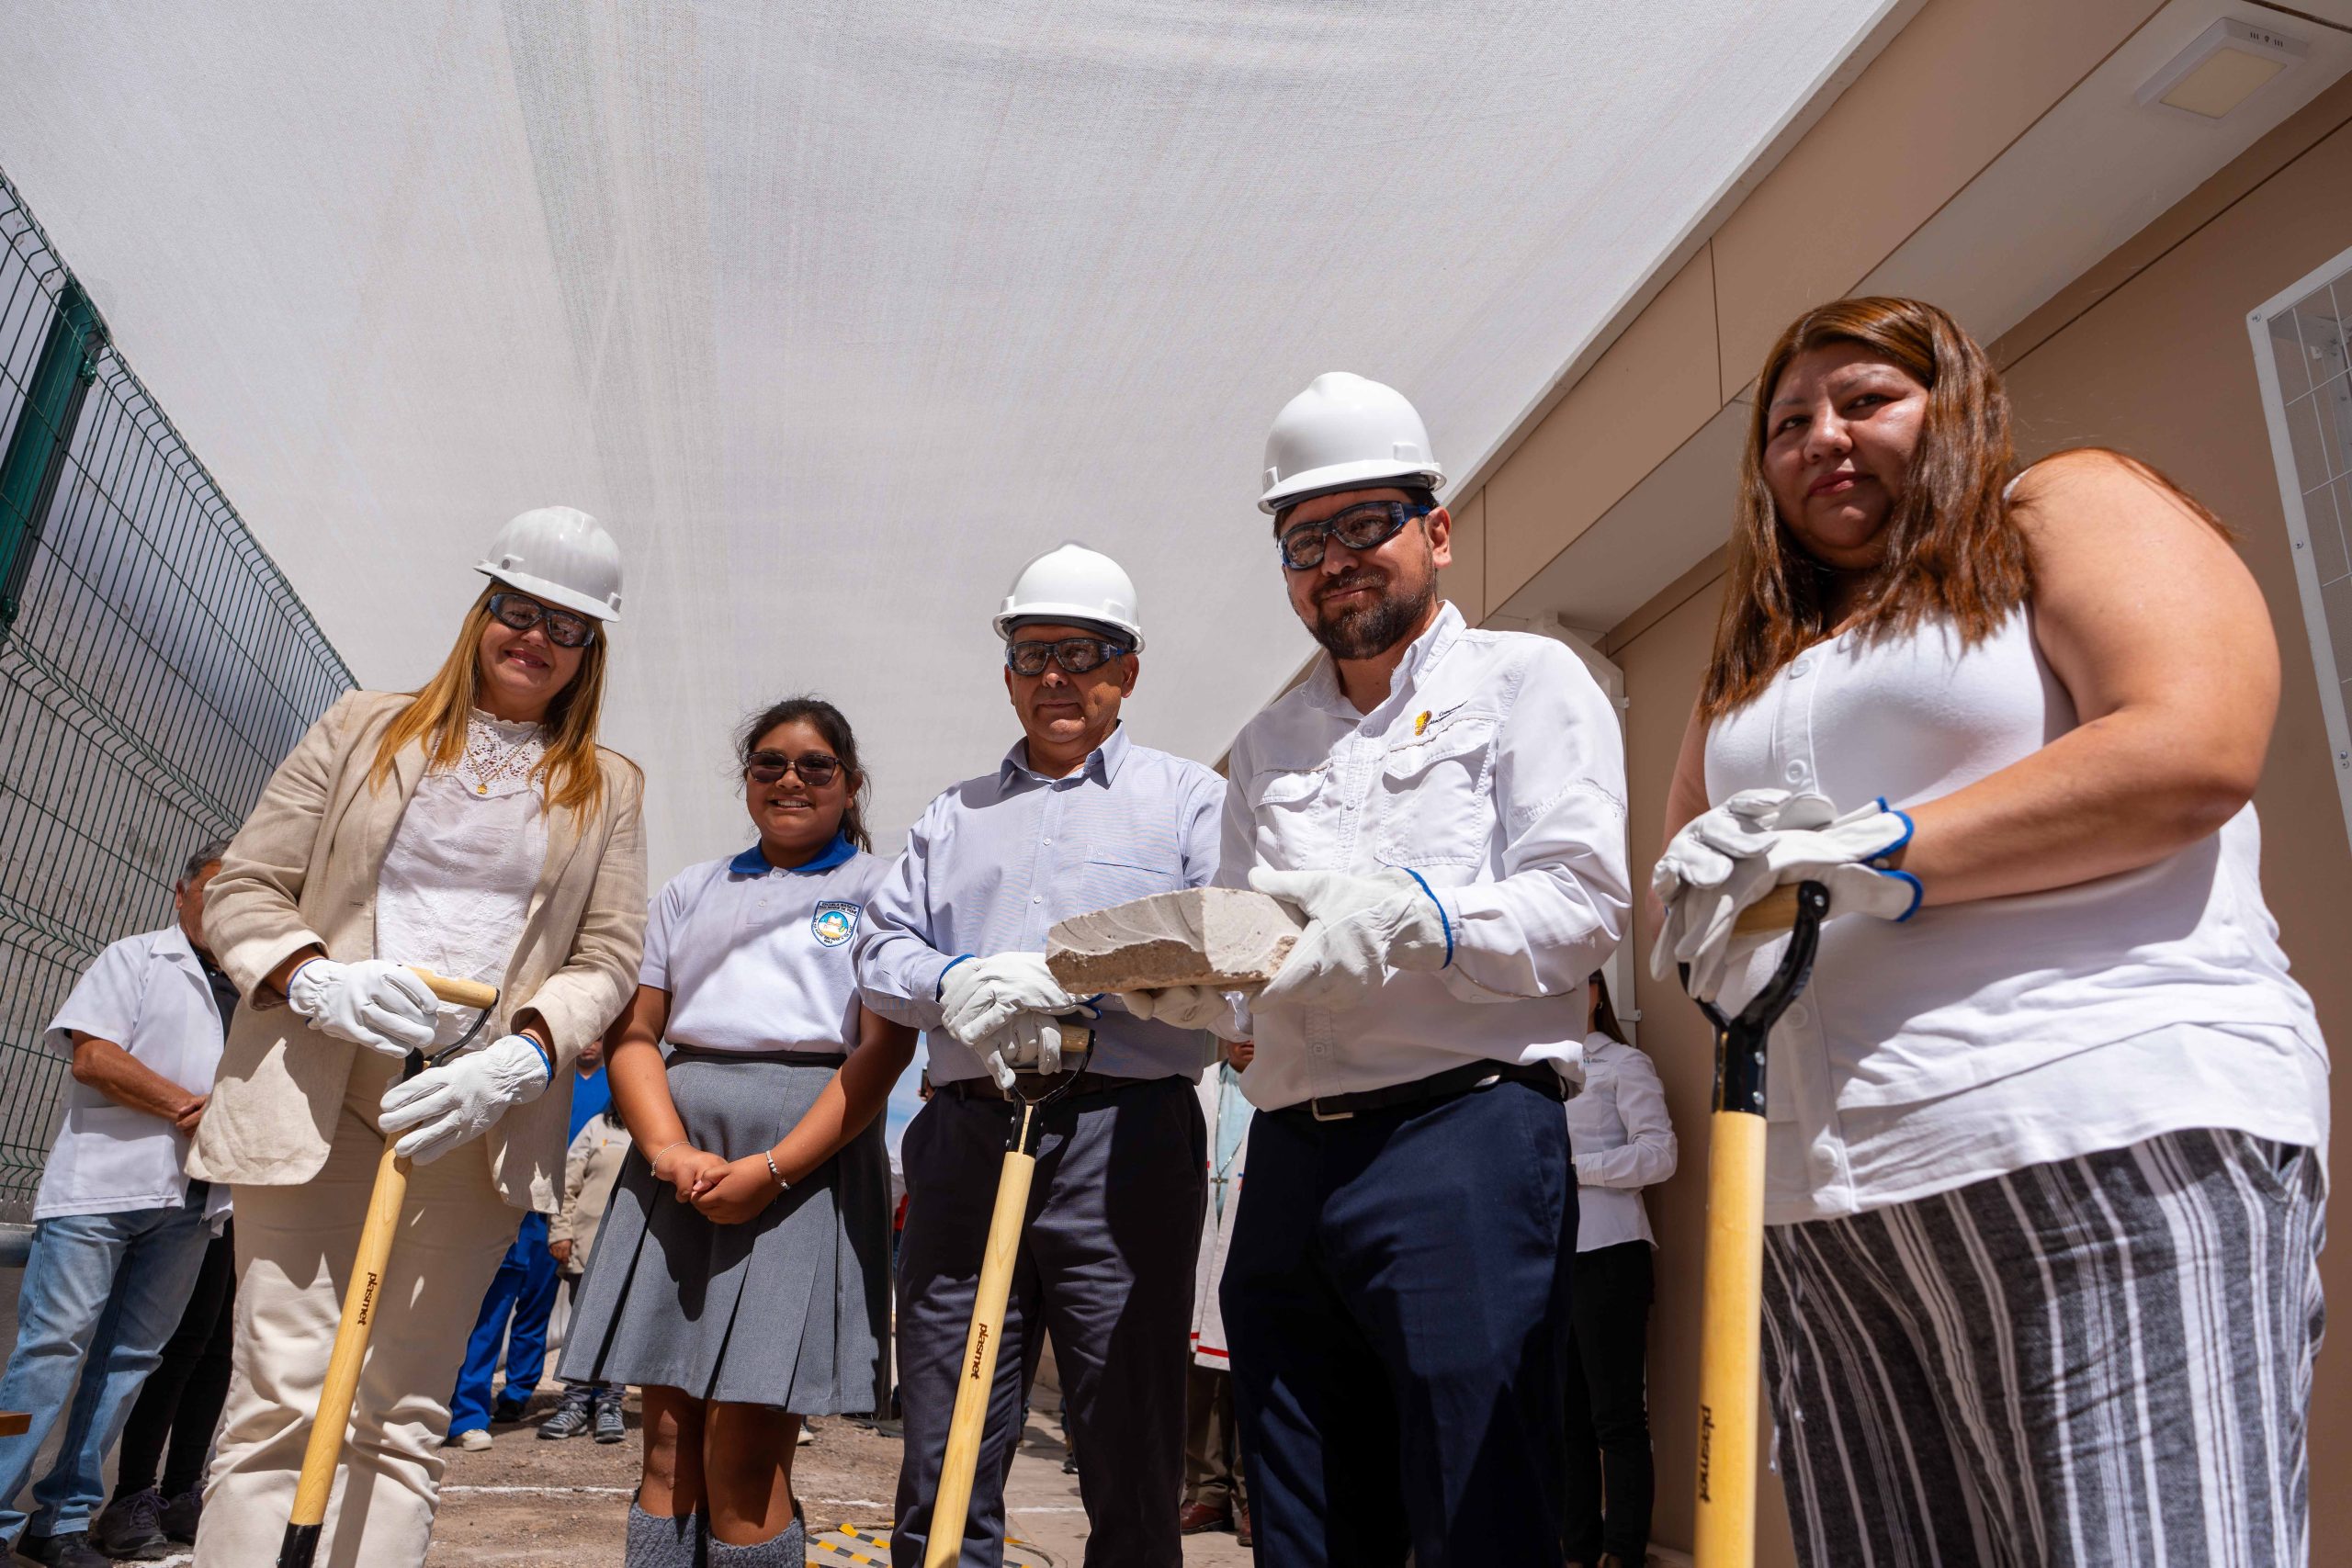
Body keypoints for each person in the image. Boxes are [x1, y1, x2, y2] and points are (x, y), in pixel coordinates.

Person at [1650, 297, 2330, 1565]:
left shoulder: (2060, 505)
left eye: (1867, 400)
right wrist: (1698, 904)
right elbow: (1689, 869)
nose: (1823, 437)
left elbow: (2190, 742)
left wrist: (1875, 850)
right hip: (1824, 1199)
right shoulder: (1759, 651)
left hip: (2093, 1131)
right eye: (1789, 423)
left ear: (1955, 403)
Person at [1127, 372, 1631, 1565]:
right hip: (1291, 1162)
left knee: (1476, 1516)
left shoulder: (1526, 684)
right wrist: (1198, 997)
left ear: (1437, 532)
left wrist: (1415, 914)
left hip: (1463, 1139)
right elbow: (1254, 964)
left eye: (1367, 524)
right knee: (1299, 1524)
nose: (1337, 558)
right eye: (1307, 538)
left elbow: (1584, 906)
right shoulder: (1266, 746)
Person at [187, 506, 647, 1567]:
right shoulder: (360, 728)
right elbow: (245, 887)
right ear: (481, 611)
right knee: (277, 1398)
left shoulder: (608, 786)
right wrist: (315, 984)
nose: (533, 637)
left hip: (470, 1115)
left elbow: (608, 956)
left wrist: (525, 1053)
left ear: (591, 651)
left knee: (400, 1414)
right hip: (318, 1088)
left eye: (565, 626)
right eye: (515, 609)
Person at [854, 543, 1223, 1568]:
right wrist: (953, 983)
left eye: (1083, 651)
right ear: (1007, 669)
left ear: (1128, 670)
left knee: (1126, 1431)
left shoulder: (1188, 800)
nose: (1055, 674)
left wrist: (1083, 967)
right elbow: (878, 949)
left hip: (1125, 1139)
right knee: (946, 1433)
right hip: (967, 1138)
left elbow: (1222, 940)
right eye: (1031, 652)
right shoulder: (952, 814)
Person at [560, 696, 914, 1567]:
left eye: (815, 765)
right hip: (678, 1154)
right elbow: (637, 1034)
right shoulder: (692, 887)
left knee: (747, 1451)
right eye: (769, 764)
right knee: (668, 1443)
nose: (791, 778)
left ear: (851, 783)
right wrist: (670, 1148)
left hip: (808, 1163)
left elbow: (882, 1050)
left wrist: (775, 1168)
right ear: (747, 780)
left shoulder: (880, 889)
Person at [0, 841, 234, 1568]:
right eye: (212, 892)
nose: (223, 910)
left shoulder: (260, 993)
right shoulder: (133, 959)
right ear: (181, 893)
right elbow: (93, 1057)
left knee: (129, 1360)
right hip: (100, 1192)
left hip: (193, 1205)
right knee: (49, 1349)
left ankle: (62, 1520)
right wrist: (188, 1107)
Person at [1558, 976, 1673, 1568]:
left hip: (1609, 1252)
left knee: (1616, 1417)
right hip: (1549, 1262)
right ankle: (1576, 1550)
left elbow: (1659, 1154)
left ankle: (1623, 1551)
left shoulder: (1624, 1063)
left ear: (1597, 994)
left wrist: (1575, 1168)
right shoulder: (1529, 1073)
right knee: (1565, 1420)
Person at [1180, 1037, 1253, 1546]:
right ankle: (1207, 1493)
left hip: (1255, 1237)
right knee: (1198, 1381)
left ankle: (1255, 1500)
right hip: (1202, 1241)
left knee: (1256, 1375)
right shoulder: (1199, 1086)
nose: (1246, 1035)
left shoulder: (1285, 1083)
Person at [537, 1101, 633, 1444]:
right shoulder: (597, 1128)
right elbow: (568, 1182)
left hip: (633, 1250)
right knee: (582, 1327)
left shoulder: (661, 1136)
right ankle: (575, 1404)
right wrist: (560, 1231)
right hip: (588, 1245)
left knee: (618, 1329)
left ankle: (610, 1405)